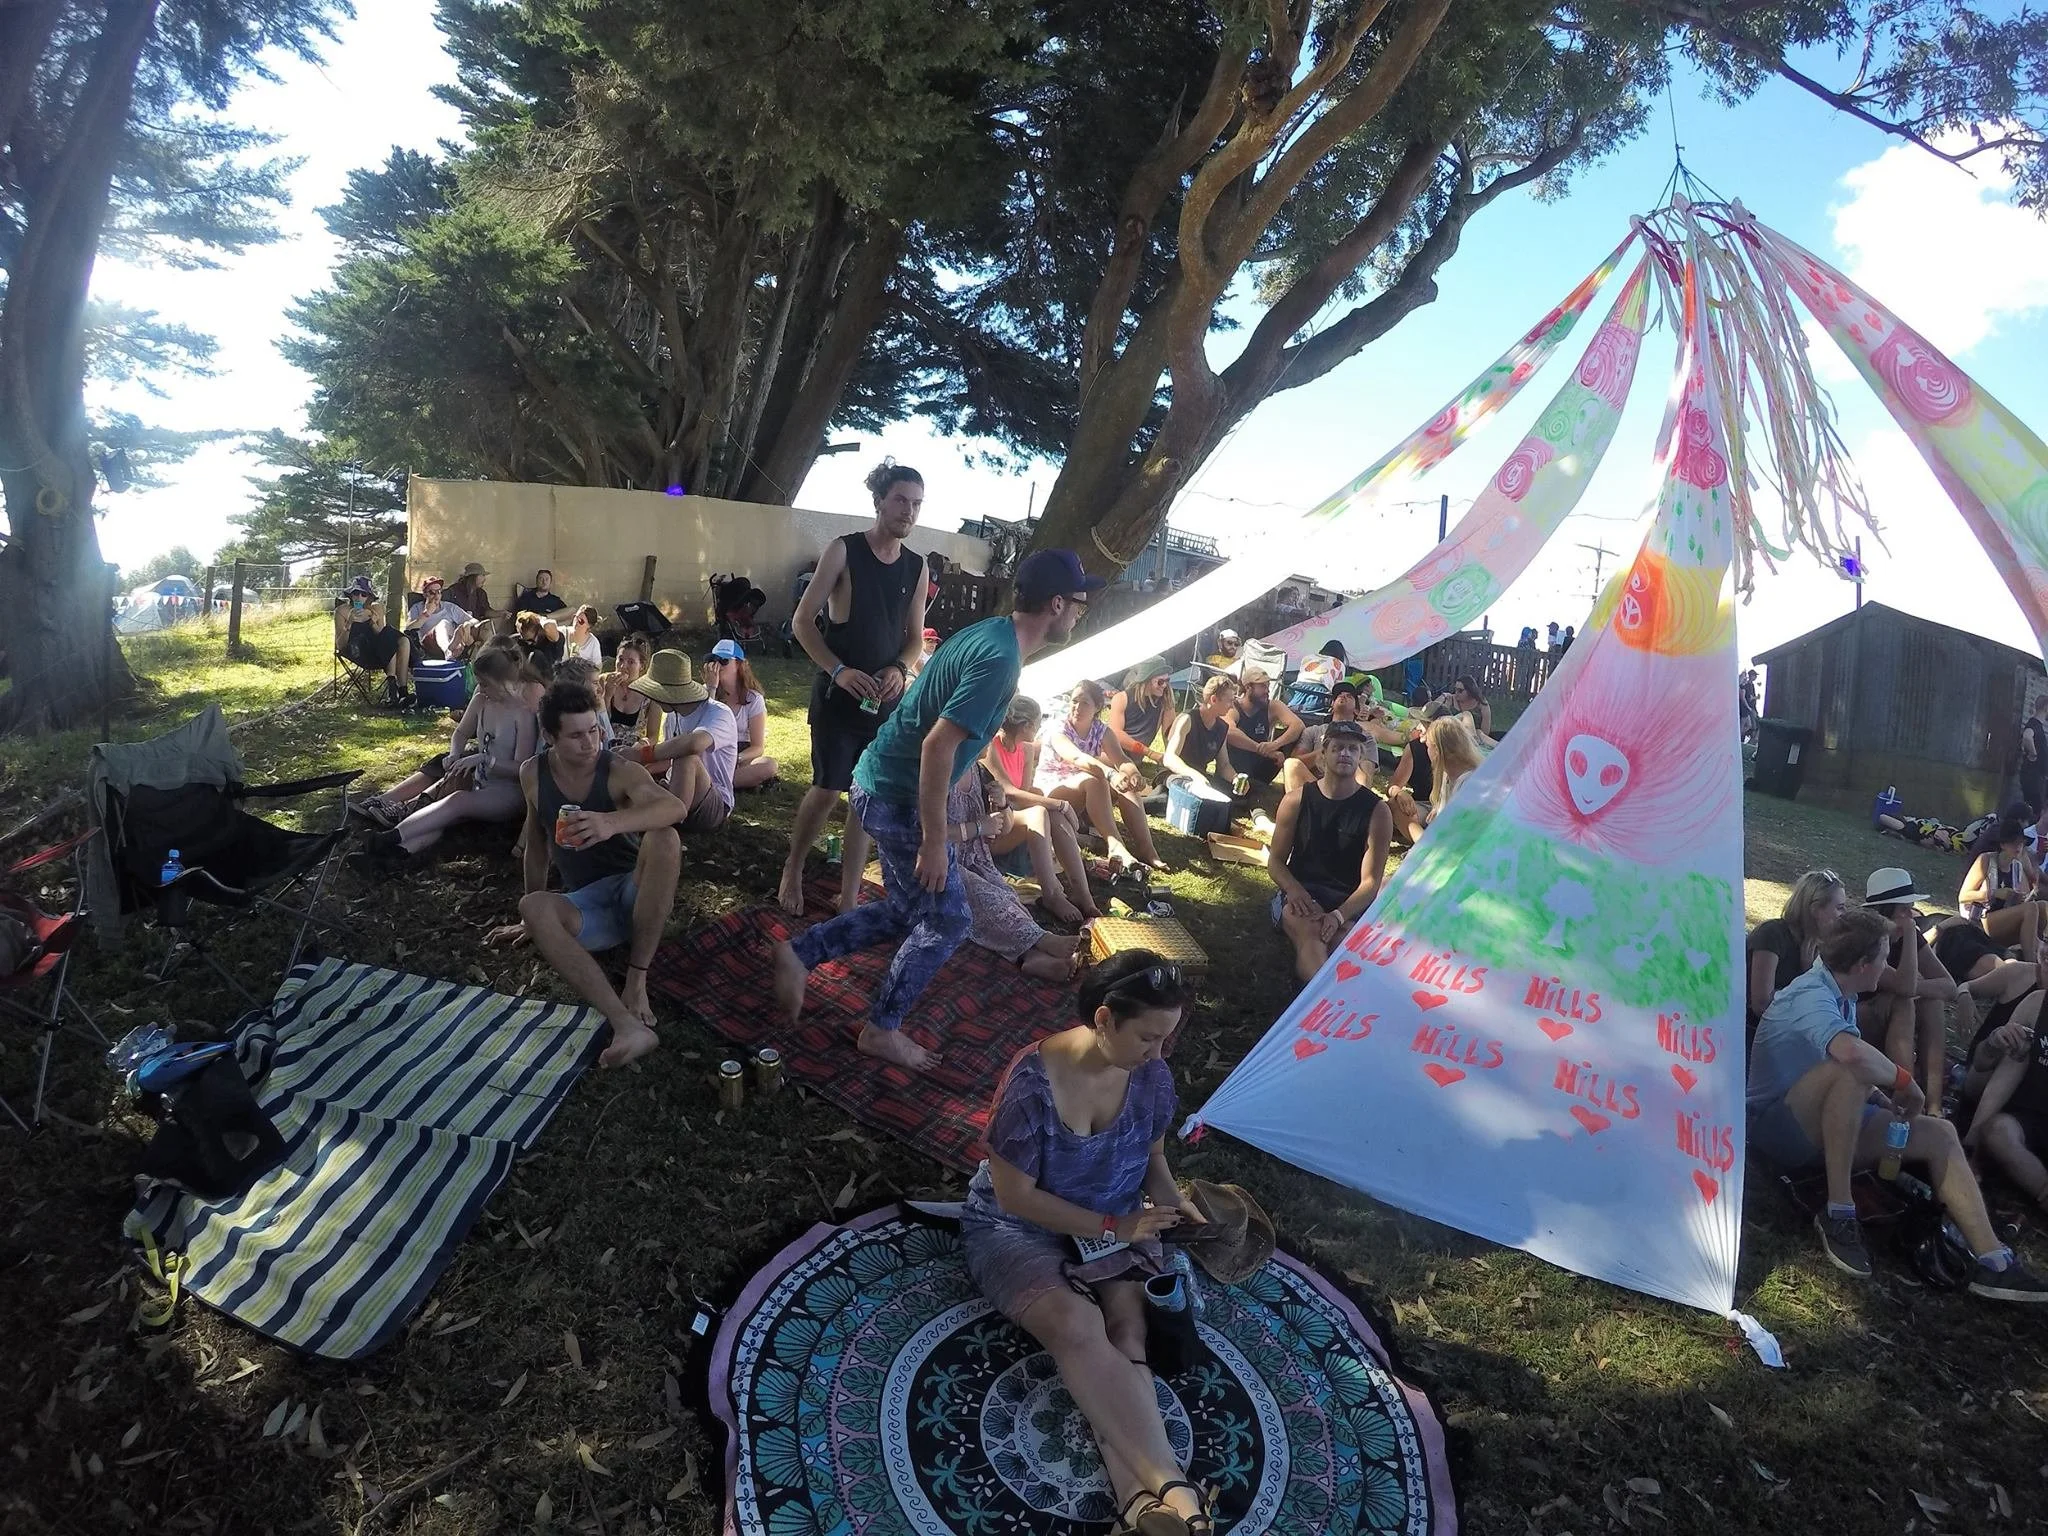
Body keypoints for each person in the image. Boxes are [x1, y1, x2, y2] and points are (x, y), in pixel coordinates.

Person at [771, 548, 1102, 1072]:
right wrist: (934, 839)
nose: (1081, 612)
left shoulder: (992, 634)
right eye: (1079, 602)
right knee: (949, 920)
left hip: (881, 783)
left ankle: (799, 953)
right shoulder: (1000, 660)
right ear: (1056, 604)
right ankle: (881, 1029)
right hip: (896, 796)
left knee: (907, 911)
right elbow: (937, 746)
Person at [960, 952, 1215, 1533]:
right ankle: (1177, 1490)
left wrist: (1173, 1203)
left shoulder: (1151, 1074)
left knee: (1127, 1332)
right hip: (1018, 1230)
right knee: (1076, 1326)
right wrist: (1113, 1228)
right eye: (1147, 1038)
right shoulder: (1031, 1085)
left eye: (1166, 1039)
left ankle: (1141, 1505)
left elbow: (1152, 1155)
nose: (1159, 1054)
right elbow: (1015, 1198)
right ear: (1104, 1019)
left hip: (1114, 1223)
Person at [1747, 907, 2046, 1298]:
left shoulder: (1842, 992)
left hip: (1825, 1122)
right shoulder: (1810, 995)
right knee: (1852, 1071)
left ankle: (1993, 1261)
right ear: (1862, 964)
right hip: (1776, 1128)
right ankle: (1839, 1213)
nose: (1886, 968)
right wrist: (1906, 1083)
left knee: (1939, 1133)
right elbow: (1850, 1056)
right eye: (1884, 958)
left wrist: (1884, 1100)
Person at [486, 679, 685, 1068]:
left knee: (665, 838)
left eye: (593, 730)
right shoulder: (533, 773)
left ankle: (637, 979)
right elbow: (537, 843)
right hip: (587, 907)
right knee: (533, 906)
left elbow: (674, 808)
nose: (590, 742)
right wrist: (530, 922)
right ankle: (626, 1026)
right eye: (576, 735)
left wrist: (610, 823)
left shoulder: (618, 770)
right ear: (549, 736)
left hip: (636, 895)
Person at [778, 460, 930, 917]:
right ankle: (792, 868)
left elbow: (915, 639)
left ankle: (847, 895)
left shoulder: (917, 567)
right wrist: (839, 670)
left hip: (884, 703)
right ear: (880, 501)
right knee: (827, 789)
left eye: (916, 503)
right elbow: (802, 623)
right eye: (900, 499)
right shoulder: (844, 551)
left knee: (867, 796)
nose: (908, 511)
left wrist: (901, 668)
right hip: (837, 697)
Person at [357, 642, 542, 861]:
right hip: (480, 783)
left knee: (456, 801)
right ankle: (394, 854)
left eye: (485, 684)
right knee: (442, 816)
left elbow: (520, 769)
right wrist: (454, 754)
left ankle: (388, 838)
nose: (481, 689)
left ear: (503, 682)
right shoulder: (481, 701)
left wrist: (485, 759)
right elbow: (461, 733)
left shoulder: (522, 714)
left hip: (506, 794)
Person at [1267, 720, 1392, 982]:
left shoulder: (1377, 811)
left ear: (1361, 756)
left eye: (1352, 749)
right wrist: (1294, 889)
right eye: (1337, 747)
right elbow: (1275, 861)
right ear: (1323, 754)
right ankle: (1319, 1001)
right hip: (1301, 894)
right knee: (1312, 934)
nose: (1345, 753)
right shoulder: (1296, 800)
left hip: (1348, 900)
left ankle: (1344, 1000)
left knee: (1342, 940)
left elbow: (1371, 882)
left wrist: (1339, 914)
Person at [946, 772, 1085, 981]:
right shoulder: (938, 774)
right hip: (941, 863)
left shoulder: (979, 771)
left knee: (1006, 897)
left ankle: (1031, 956)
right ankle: (1041, 938)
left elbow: (1006, 826)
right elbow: (927, 834)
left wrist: (1002, 805)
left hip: (976, 861)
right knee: (986, 898)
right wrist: (978, 827)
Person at [982, 695, 1108, 922]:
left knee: (1052, 814)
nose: (1039, 729)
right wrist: (1059, 803)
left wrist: (1055, 807)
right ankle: (1051, 894)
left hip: (1010, 818)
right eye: (1037, 724)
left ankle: (1083, 893)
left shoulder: (1026, 750)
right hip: (992, 826)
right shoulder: (992, 746)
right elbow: (1009, 791)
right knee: (1041, 811)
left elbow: (1022, 796)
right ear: (1026, 725)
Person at [1855, 868, 1960, 1113]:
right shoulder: (1865, 936)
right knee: (1901, 1001)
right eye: (1903, 910)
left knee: (1931, 1003)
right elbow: (1904, 986)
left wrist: (1916, 988)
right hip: (1855, 1020)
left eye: (1910, 909)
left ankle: (1933, 1106)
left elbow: (1949, 987)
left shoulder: (1907, 933)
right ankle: (1905, 1098)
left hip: (1893, 1020)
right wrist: (1911, 935)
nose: (1910, 917)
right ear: (1884, 912)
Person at [1036, 679, 1163, 872]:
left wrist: (1133, 773)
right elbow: (1077, 757)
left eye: (1084, 703)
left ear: (1096, 708)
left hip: (1083, 786)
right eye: (1074, 701)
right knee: (1097, 779)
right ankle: (1115, 845)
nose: (1077, 707)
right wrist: (1111, 774)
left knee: (1125, 784)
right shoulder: (1058, 728)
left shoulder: (1100, 730)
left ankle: (1147, 848)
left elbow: (1121, 759)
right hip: (1052, 788)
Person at [630, 651, 739, 833]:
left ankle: (668, 822)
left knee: (686, 755)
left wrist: (643, 754)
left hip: (714, 802)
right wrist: (634, 763)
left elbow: (694, 744)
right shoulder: (672, 716)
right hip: (675, 787)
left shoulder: (719, 713)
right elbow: (668, 759)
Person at [1746, 870, 1850, 1038]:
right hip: (1757, 1033)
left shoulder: (1821, 943)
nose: (1844, 914)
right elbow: (1761, 1005)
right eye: (1840, 908)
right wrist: (1807, 977)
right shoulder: (1772, 934)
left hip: (1796, 1031)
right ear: (1816, 909)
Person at [1387, 713, 1483, 844]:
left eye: (1428, 747)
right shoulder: (1446, 772)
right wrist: (1399, 793)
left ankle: (1424, 846)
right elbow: (1393, 786)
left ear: (1437, 750)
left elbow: (1464, 828)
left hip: (1456, 840)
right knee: (1393, 805)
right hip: (1438, 822)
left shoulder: (1468, 782)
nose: (1419, 728)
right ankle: (1423, 843)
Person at [1957, 816, 2043, 961]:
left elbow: (2024, 899)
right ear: (2003, 844)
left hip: (2003, 919)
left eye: (2021, 843)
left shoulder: (2017, 867)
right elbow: (1963, 896)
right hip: (1980, 920)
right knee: (2032, 908)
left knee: (2042, 906)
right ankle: (2031, 962)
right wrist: (1995, 893)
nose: (2018, 847)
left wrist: (2021, 897)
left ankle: (2037, 951)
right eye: (2014, 843)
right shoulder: (1986, 860)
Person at [702, 638, 778, 789]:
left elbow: (758, 747)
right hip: (711, 751)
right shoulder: (704, 691)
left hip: (740, 754)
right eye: (713, 660)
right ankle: (721, 783)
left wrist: (737, 758)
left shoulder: (753, 698)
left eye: (724, 661)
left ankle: (712, 784)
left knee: (769, 765)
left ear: (738, 664)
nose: (717, 666)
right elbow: (703, 724)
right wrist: (711, 689)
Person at [334, 583, 413, 707]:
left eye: (364, 594)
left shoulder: (376, 609)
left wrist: (373, 623)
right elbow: (340, 645)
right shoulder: (342, 611)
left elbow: (382, 635)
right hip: (357, 651)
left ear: (369, 597)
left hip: (379, 650)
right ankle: (394, 690)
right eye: (355, 593)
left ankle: (401, 692)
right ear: (351, 595)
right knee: (391, 639)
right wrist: (349, 623)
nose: (359, 597)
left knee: (403, 641)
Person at [1225, 666, 1303, 787]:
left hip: (1260, 767)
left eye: (1268, 686)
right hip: (1236, 764)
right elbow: (1229, 731)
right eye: (1262, 686)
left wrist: (1275, 744)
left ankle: (1262, 785)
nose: (1267, 691)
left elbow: (1298, 725)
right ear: (1248, 687)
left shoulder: (1273, 706)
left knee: (1292, 740)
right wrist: (1260, 749)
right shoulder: (1234, 707)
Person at [1160, 674, 1237, 793]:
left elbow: (1224, 765)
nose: (1232, 706)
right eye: (1230, 701)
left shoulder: (1222, 727)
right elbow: (1169, 758)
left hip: (1201, 778)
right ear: (1214, 700)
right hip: (1175, 775)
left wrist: (1235, 778)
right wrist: (1194, 775)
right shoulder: (1187, 719)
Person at [1104, 657, 1178, 775]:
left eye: (1167, 680)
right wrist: (1150, 753)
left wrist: (1173, 758)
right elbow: (1116, 734)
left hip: (1133, 761)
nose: (1164, 685)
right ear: (1146, 680)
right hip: (1110, 755)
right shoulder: (1121, 698)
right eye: (1160, 681)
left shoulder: (1165, 700)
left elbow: (1169, 734)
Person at [600, 636, 657, 746]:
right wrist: (607, 696)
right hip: (606, 746)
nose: (623, 666)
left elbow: (653, 736)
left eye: (631, 662)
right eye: (620, 659)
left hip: (635, 750)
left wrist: (639, 747)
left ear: (641, 666)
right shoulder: (603, 681)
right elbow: (597, 723)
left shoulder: (651, 693)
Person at [406, 577, 473, 661]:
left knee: (474, 628)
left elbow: (473, 620)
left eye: (439, 591)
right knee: (443, 624)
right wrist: (426, 613)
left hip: (452, 640)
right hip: (429, 645)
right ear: (425, 594)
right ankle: (448, 652)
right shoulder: (417, 608)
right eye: (432, 592)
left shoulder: (449, 607)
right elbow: (408, 630)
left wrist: (467, 625)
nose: (436, 595)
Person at [2022, 694, 2048, 820]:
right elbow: (2027, 736)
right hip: (2033, 779)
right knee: (2035, 812)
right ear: (2046, 707)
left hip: (2037, 779)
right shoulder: (2034, 724)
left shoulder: (2037, 725)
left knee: (2036, 812)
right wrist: (2033, 754)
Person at [444, 561, 493, 626]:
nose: (484, 579)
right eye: (482, 575)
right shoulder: (453, 591)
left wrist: (501, 613)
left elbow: (485, 612)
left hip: (476, 627)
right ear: (473, 577)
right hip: (456, 628)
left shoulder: (481, 593)